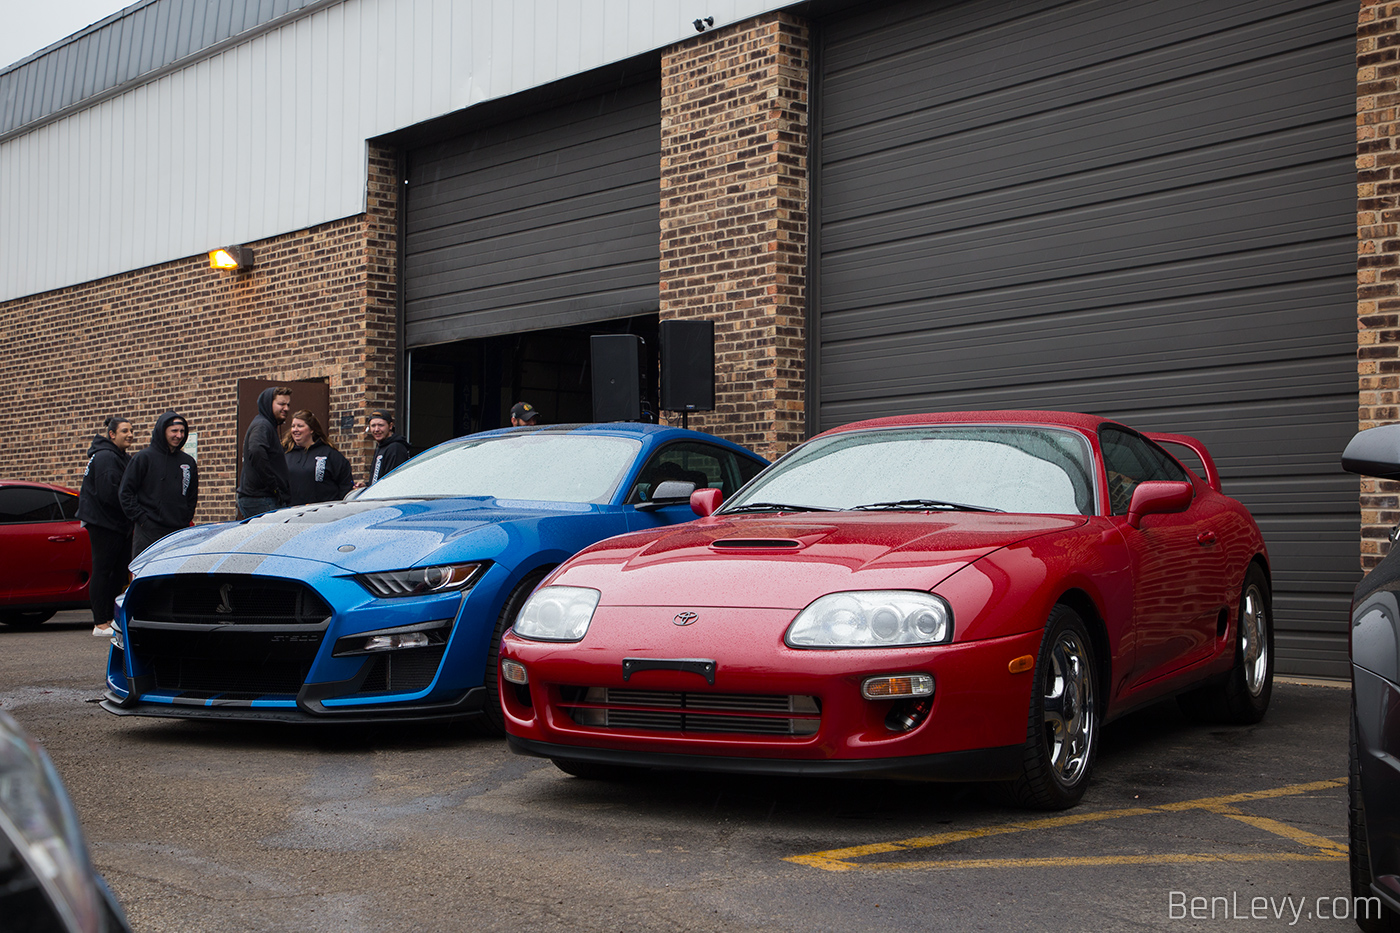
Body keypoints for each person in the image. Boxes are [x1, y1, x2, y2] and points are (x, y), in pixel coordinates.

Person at [78, 416, 135, 637]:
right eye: (124, 431)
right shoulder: (105, 457)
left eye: (131, 430)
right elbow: (110, 493)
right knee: (103, 571)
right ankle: (100, 622)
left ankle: (111, 619)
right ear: (112, 434)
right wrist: (131, 511)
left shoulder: (119, 457)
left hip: (116, 523)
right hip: (104, 523)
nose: (130, 434)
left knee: (117, 572)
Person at [119, 410, 198, 557]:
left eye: (182, 431)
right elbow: (126, 492)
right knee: (147, 575)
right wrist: (142, 520)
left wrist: (185, 518)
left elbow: (192, 496)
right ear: (163, 431)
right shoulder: (143, 458)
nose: (179, 435)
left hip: (178, 531)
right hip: (148, 532)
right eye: (174, 431)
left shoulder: (188, 462)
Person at [237, 386, 291, 518]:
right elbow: (256, 451)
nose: (286, 408)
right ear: (268, 404)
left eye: (288, 404)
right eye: (281, 404)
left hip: (261, 497)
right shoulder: (262, 425)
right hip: (261, 498)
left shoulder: (266, 425)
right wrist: (273, 486)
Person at [283, 410, 354, 505]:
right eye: (293, 426)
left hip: (322, 513)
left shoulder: (329, 454)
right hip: (291, 512)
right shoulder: (285, 454)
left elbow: (345, 484)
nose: (295, 429)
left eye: (300, 426)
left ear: (312, 429)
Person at [366, 409, 411, 484]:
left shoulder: (395, 448)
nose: (376, 429)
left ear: (390, 426)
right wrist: (367, 485)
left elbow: (393, 482)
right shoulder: (381, 446)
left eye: (381, 425)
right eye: (373, 426)